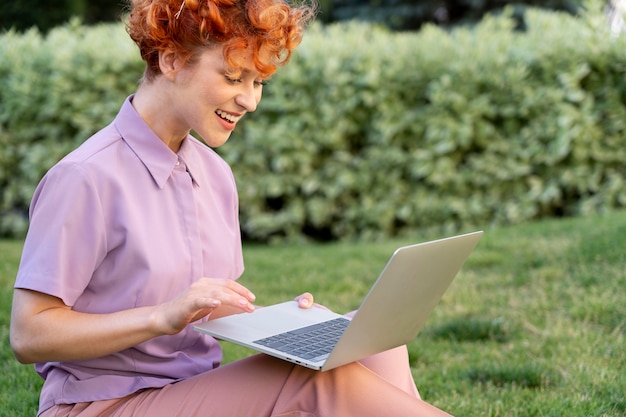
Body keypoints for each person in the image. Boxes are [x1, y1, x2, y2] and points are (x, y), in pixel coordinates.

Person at [9, 0, 454, 416]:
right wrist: (160, 318)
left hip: (190, 389)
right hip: (104, 403)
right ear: (171, 61)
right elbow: (30, 335)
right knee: (312, 385)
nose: (250, 100)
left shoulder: (214, 174)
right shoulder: (86, 178)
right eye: (233, 77)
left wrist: (288, 323)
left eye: (257, 82)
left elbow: (204, 307)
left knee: (372, 342)